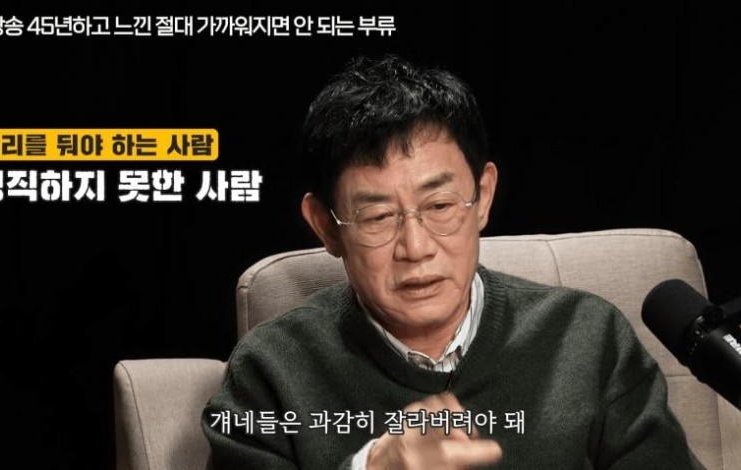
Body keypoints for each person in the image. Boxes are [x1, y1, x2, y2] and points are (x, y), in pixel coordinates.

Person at [202, 55, 704, 469]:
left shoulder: (588, 339)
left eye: (440, 206)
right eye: (378, 216)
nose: (416, 247)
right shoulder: (270, 371)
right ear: (327, 227)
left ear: (483, 196)